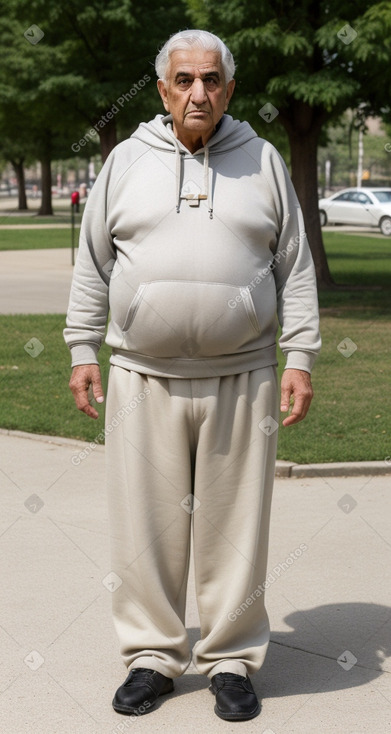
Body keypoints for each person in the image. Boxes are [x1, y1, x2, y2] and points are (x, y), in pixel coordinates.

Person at [64, 29, 321, 722]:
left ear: (229, 89)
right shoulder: (124, 163)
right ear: (162, 88)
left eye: (211, 80)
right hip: (141, 377)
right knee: (144, 525)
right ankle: (151, 655)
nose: (198, 92)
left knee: (233, 526)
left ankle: (230, 658)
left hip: (242, 378)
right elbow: (92, 262)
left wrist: (299, 357)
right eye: (184, 80)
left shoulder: (262, 160)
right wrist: (81, 348)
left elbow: (293, 265)